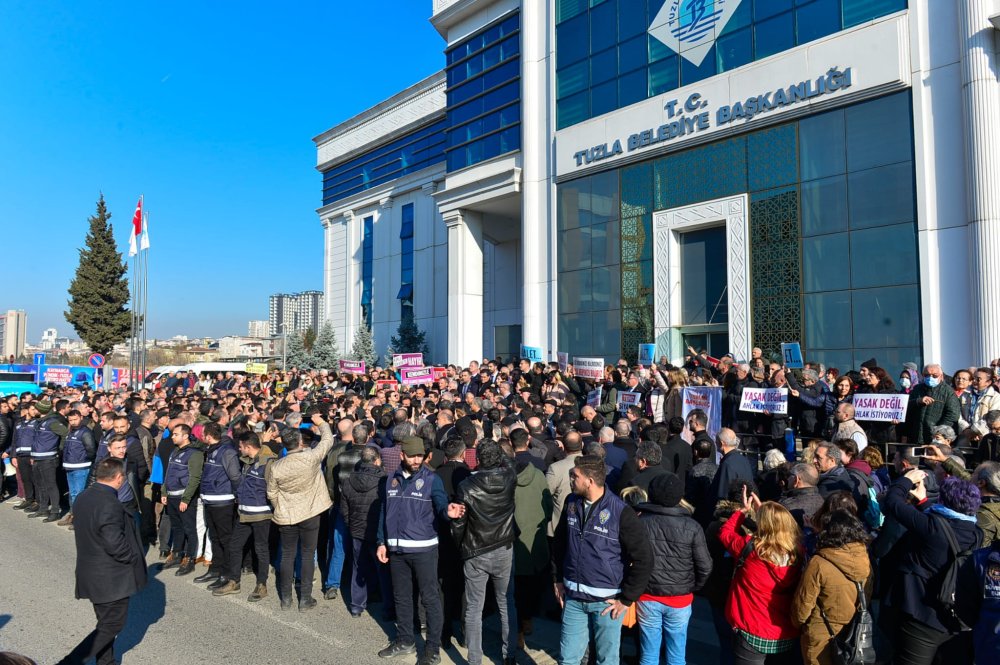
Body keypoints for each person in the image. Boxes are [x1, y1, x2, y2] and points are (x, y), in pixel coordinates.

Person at [552, 454, 653, 665]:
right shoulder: (571, 502)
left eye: (574, 476)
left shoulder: (620, 512)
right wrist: (558, 578)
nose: (570, 480)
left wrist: (627, 599)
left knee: (606, 660)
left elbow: (644, 559)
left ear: (589, 481)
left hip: (606, 602)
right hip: (573, 598)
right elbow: (560, 542)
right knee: (567, 658)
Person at [376, 436, 465, 665]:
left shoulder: (431, 479)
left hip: (424, 550)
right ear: (402, 455)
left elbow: (440, 504)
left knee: (430, 599)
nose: (417, 460)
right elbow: (384, 513)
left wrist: (449, 512)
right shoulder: (390, 480)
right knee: (402, 597)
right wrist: (381, 542)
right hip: (396, 550)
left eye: (420, 456)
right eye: (412, 455)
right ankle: (405, 640)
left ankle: (432, 648)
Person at [882, 469, 983, 665]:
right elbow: (946, 523)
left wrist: (906, 480)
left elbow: (893, 502)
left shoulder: (931, 527)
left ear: (944, 501)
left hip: (921, 617)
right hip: (955, 619)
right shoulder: (976, 533)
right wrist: (923, 502)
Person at [59, 458, 147, 665]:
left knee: (105, 623)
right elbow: (114, 542)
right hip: (109, 577)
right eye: (123, 477)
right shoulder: (110, 503)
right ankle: (70, 662)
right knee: (112, 625)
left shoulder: (83, 497)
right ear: (118, 478)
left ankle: (106, 662)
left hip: (91, 573)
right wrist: (132, 558)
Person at [451, 439, 518, 665]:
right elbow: (510, 462)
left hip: (476, 549)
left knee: (474, 607)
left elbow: (459, 523)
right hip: (503, 547)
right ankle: (510, 654)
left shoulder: (466, 486)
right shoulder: (510, 478)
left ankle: (474, 659)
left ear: (477, 460)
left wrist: (461, 545)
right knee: (506, 603)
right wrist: (496, 448)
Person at [718, 492, 803, 664]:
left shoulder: (750, 549)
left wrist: (743, 511)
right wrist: (764, 511)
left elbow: (725, 533)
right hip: (784, 631)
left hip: (751, 628)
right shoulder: (799, 553)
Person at [636, 473, 712, 665]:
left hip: (647, 596)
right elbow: (705, 565)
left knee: (648, 654)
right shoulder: (692, 526)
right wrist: (693, 586)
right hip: (680, 598)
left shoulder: (640, 522)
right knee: (677, 654)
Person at [266, 412, 336, 611]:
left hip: (287, 513)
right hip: (310, 512)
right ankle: (304, 599)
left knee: (287, 554)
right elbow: (328, 440)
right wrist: (321, 422)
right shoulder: (310, 458)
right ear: (299, 442)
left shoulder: (276, 466)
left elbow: (271, 492)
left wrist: (280, 505)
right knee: (307, 554)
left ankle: (286, 598)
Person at [791, 510, 872, 665]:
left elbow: (801, 608)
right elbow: (866, 595)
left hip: (821, 635)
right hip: (854, 632)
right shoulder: (865, 559)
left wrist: (798, 625)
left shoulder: (819, 563)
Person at [212, 431, 275, 601]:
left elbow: (273, 490)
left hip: (261, 515)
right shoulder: (248, 461)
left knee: (261, 549)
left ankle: (262, 585)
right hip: (244, 513)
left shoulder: (268, 463)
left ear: (248, 446)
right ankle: (234, 582)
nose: (238, 449)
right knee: (234, 546)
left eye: (240, 446)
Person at [339, 445, 389, 617]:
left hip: (357, 530)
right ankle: (386, 606)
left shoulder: (349, 480)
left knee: (358, 566)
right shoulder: (383, 480)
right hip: (376, 531)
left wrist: (350, 524)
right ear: (376, 461)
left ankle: (356, 605)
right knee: (382, 568)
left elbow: (344, 508)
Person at [512, 438, 552, 649]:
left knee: (517, 590)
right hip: (536, 540)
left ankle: (518, 629)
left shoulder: (508, 479)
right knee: (534, 586)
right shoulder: (538, 475)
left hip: (516, 541)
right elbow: (548, 504)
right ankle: (528, 621)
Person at [195, 422, 241, 588]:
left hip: (223, 501)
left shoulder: (227, 451)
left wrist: (238, 497)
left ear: (208, 435)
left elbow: (235, 476)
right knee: (214, 537)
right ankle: (215, 569)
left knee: (225, 539)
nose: (201, 437)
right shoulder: (209, 450)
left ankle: (226, 573)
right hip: (209, 500)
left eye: (203, 434)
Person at [160, 423, 205, 576]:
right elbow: (168, 473)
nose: (172, 437)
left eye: (175, 434)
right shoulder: (175, 451)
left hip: (184, 497)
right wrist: (164, 491)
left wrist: (186, 499)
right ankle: (177, 554)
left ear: (185, 436)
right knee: (177, 527)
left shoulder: (195, 454)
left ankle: (189, 558)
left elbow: (195, 478)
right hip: (171, 496)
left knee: (189, 529)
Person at [28, 400, 68, 522]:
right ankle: (43, 508)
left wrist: (59, 449)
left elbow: (65, 433)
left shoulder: (52, 422)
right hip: (37, 457)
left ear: (41, 410)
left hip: (48, 458)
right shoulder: (39, 422)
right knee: (40, 485)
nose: (34, 410)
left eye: (36, 409)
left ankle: (55, 511)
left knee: (50, 485)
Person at [59, 408, 97, 527]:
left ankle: (79, 518)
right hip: (70, 466)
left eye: (75, 419)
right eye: (71, 420)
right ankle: (73, 514)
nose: (73, 422)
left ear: (81, 418)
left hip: (81, 467)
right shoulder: (71, 431)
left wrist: (84, 460)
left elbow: (91, 450)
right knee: (73, 493)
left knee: (79, 494)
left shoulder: (85, 432)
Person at [905, 364, 961, 444]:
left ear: (941, 376)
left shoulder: (948, 392)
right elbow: (906, 407)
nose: (930, 378)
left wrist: (938, 431)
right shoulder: (917, 389)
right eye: (926, 375)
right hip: (916, 435)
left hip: (936, 437)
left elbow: (953, 415)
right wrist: (918, 401)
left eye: (934, 375)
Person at [709, 428, 755, 502]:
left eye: (716, 441)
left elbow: (723, 494)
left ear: (721, 443)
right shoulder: (744, 460)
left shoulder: (727, 464)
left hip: (731, 508)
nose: (715, 443)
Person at [779, 463, 824, 530]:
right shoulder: (822, 502)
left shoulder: (786, 506)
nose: (788, 479)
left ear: (796, 479)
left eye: (789, 476)